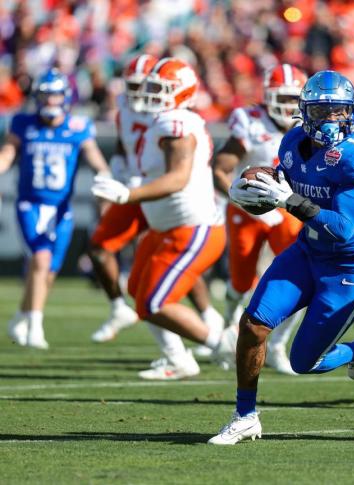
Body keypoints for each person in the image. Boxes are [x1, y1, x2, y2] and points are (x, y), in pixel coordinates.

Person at [209, 70, 354, 445]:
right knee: (254, 326)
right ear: (304, 113)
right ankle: (245, 416)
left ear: (352, 113)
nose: (330, 120)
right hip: (308, 252)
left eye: (338, 111)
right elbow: (283, 180)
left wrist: (284, 200)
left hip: (351, 267)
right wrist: (256, 188)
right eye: (321, 111)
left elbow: (340, 228)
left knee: (304, 363)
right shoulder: (291, 142)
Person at [91, 58, 225, 379]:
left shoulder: (175, 123)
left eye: (160, 89)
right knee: (139, 291)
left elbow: (177, 179)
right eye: (150, 87)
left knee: (154, 302)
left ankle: (228, 343)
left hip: (190, 226)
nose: (151, 94)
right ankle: (178, 358)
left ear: (182, 92)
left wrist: (127, 195)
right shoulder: (162, 120)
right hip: (166, 226)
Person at [1, 68, 110, 349]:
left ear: (65, 97)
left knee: (48, 272)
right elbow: (8, 153)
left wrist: (104, 174)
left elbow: (94, 154)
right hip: (30, 204)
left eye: (54, 96)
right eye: (45, 96)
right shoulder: (23, 123)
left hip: (62, 208)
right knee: (39, 260)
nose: (49, 102)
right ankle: (35, 326)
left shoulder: (78, 126)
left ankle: (20, 317)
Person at [211, 63, 308, 375]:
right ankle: (228, 324)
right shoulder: (249, 120)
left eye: (295, 98)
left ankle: (278, 345)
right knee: (240, 281)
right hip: (247, 208)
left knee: (299, 276)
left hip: (288, 207)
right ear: (267, 96)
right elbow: (220, 169)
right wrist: (241, 199)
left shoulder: (310, 125)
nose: (289, 105)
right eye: (282, 97)